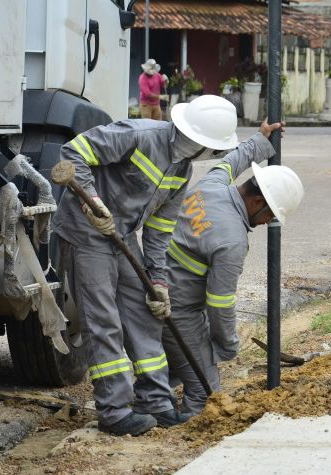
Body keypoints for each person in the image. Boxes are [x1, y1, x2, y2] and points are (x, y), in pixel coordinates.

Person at [52, 95, 240, 436]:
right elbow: (73, 153)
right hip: (85, 233)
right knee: (104, 319)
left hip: (121, 236)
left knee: (144, 311)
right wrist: (93, 203)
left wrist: (158, 282)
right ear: (201, 143)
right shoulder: (138, 135)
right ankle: (113, 410)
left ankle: (155, 400)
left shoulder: (181, 171)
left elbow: (159, 232)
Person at [160, 125, 304, 416]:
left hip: (156, 292)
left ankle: (147, 398)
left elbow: (231, 161)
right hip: (180, 313)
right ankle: (176, 431)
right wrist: (228, 345)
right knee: (206, 393)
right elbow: (220, 302)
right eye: (270, 215)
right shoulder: (232, 241)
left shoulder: (210, 185)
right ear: (257, 201)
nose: (267, 223)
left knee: (178, 366)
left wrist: (261, 140)